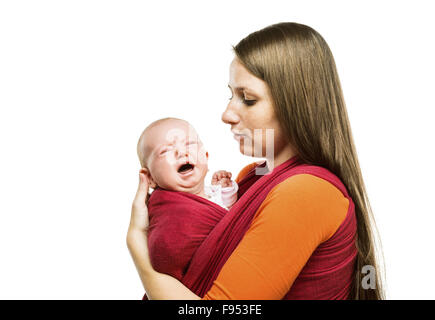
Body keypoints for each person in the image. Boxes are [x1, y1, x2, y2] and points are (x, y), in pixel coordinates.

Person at [127, 22, 385, 300]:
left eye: (247, 99)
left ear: (296, 105)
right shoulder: (256, 175)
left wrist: (139, 249)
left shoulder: (306, 193)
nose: (227, 114)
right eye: (231, 95)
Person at [136, 117, 239, 282]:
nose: (181, 152)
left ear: (205, 156)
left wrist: (226, 188)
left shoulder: (211, 193)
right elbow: (167, 251)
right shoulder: (169, 212)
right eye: (165, 151)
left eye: (189, 144)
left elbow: (231, 214)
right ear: (150, 178)